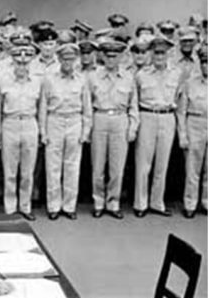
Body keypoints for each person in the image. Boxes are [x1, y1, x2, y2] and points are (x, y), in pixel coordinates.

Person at [39, 43, 92, 220]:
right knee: (53, 166)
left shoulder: (82, 79)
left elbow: (87, 107)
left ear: (76, 59)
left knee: (72, 166)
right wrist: (43, 131)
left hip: (74, 121)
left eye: (71, 58)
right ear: (59, 59)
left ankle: (69, 206)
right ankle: (53, 206)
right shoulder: (49, 78)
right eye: (64, 58)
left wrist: (86, 131)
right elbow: (43, 106)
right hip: (55, 119)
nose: (68, 62)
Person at [88, 39, 139, 219]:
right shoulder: (93, 76)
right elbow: (87, 104)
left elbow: (134, 105)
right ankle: (98, 202)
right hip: (100, 117)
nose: (111, 60)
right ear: (102, 56)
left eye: (115, 56)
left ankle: (113, 202)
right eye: (108, 56)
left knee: (117, 167)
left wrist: (133, 127)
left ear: (120, 57)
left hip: (120, 118)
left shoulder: (128, 77)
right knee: (98, 165)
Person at [133, 36, 183, 217]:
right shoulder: (141, 75)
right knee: (143, 163)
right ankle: (140, 204)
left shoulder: (176, 74)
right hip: (147, 115)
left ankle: (157, 202)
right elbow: (135, 100)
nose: (159, 56)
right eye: (156, 52)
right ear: (150, 54)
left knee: (162, 163)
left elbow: (179, 98)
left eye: (163, 52)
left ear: (168, 53)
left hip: (167, 116)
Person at [0, 43, 42, 221]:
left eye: (25, 63)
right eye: (18, 63)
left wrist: (40, 130)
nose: (21, 67)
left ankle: (25, 205)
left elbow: (41, 107)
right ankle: (10, 206)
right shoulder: (4, 81)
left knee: (27, 171)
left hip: (30, 123)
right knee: (10, 170)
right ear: (13, 63)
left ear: (29, 63)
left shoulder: (37, 81)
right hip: (10, 124)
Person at [177, 44, 207, 218]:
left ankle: (206, 202)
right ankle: (190, 203)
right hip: (194, 123)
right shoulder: (190, 84)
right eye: (204, 62)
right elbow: (181, 111)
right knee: (192, 168)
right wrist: (183, 134)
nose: (206, 66)